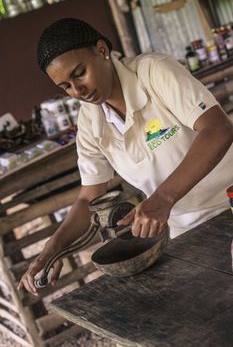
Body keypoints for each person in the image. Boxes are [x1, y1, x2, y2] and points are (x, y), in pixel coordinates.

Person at [18, 18, 233, 295]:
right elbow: (88, 198)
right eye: (66, 87)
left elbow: (218, 129)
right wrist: (51, 250)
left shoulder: (154, 72)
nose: (79, 91)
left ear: (102, 50)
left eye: (80, 73)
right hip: (184, 232)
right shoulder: (90, 121)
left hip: (227, 206)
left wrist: (162, 198)